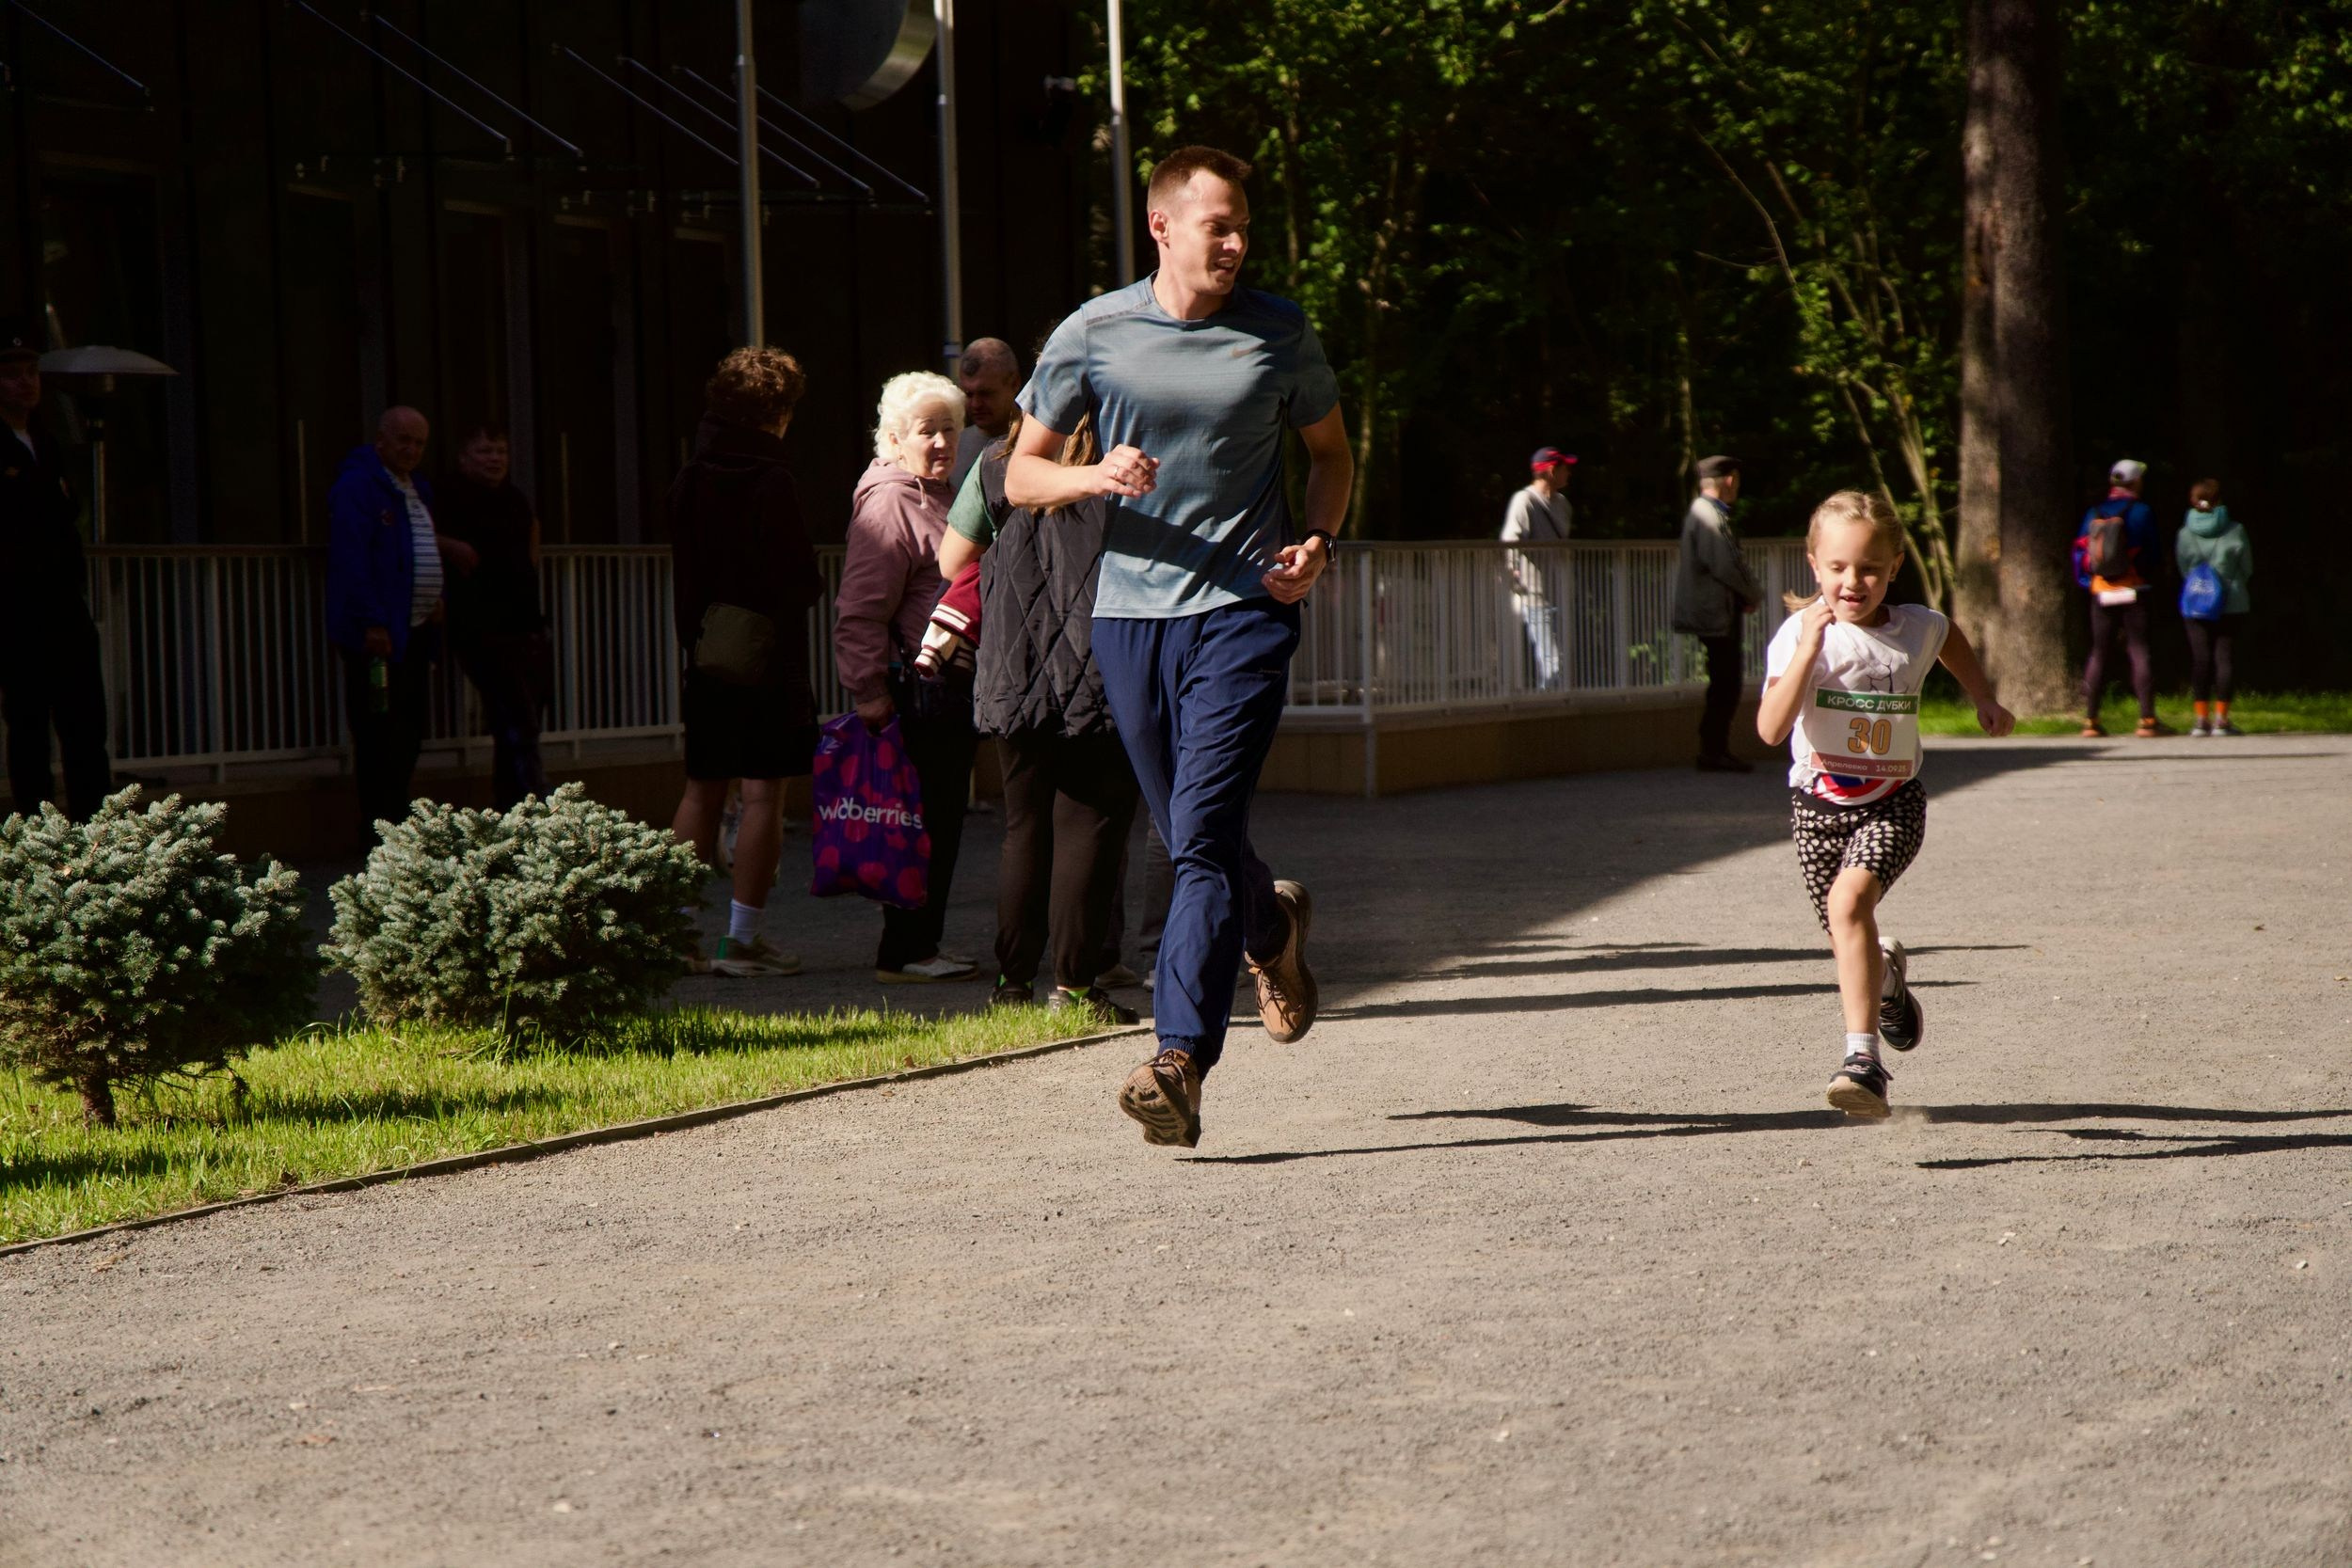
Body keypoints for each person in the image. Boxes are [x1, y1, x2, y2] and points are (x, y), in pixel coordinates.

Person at [1007, 144, 1352, 1149]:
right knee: (1193, 830)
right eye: (1219, 226)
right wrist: (1093, 476)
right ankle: (1270, 926)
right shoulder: (1095, 332)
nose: (1238, 244)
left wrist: (1318, 544)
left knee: (1194, 831)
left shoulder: (1278, 331)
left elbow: (1328, 456)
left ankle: (1179, 1057)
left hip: (1244, 609)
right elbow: (1019, 476)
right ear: (1161, 227)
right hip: (1128, 618)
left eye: (1245, 226)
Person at [1756, 489, 2013, 1118]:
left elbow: (1949, 637)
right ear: (1813, 564)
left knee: (1850, 905)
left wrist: (1982, 695)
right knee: (1847, 933)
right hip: (1817, 808)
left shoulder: (1915, 628)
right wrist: (1809, 654)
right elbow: (1768, 728)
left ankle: (1863, 1063)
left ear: (1895, 565)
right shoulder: (1799, 634)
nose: (1854, 581)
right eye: (1839, 567)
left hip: (1893, 802)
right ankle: (1890, 981)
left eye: (1870, 567)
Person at [937, 408, 1142, 1026]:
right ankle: (1076, 988)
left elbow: (952, 560)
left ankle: (1011, 983)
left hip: (1013, 666)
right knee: (1090, 825)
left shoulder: (997, 465)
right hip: (1100, 667)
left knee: (1024, 826)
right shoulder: (1129, 468)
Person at [668, 347, 826, 978]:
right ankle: (741, 940)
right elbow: (795, 576)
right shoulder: (774, 480)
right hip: (768, 656)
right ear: (779, 413)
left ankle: (672, 931)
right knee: (762, 793)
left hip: (706, 652)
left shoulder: (692, 475)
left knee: (701, 789)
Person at [836, 370, 978, 984]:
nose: (943, 443)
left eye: (950, 429)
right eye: (928, 431)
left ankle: (920, 942)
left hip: (943, 684)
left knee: (936, 818)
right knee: (920, 821)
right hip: (915, 686)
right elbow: (860, 608)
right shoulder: (894, 499)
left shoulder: (936, 491)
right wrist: (869, 691)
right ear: (894, 438)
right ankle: (907, 948)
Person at [0, 319, 111, 821]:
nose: (27, 382)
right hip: (17, 611)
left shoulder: (49, 440)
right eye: (12, 373)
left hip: (65, 607)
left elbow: (68, 514)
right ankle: (41, 842)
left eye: (32, 371)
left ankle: (97, 833)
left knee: (86, 725)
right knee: (28, 730)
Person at [326, 406, 453, 841]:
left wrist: (435, 597)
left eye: (419, 443)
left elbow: (417, 547)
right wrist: (372, 621)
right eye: (404, 440)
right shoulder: (360, 487)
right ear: (381, 440)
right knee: (379, 734)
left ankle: (397, 821)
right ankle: (378, 829)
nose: (411, 450)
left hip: (415, 630)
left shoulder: (417, 489)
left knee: (409, 731)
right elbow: (352, 558)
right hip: (378, 636)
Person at [437, 422, 550, 810]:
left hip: (524, 623)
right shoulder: (450, 495)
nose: (495, 459)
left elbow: (532, 537)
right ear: (465, 456)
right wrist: (450, 547)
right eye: (485, 452)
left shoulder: (514, 498)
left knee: (522, 721)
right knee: (518, 719)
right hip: (481, 626)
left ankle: (511, 806)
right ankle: (533, 805)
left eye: (500, 451)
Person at [1672, 454, 1763, 772]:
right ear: (1729, 480)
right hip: (1715, 613)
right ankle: (1713, 751)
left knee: (1723, 681)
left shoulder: (1703, 512)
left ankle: (1714, 748)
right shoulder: (1710, 515)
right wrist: (1753, 593)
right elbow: (1727, 564)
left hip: (1714, 610)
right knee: (1726, 682)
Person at [2073, 457, 2161, 737]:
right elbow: (2153, 553)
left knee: (2099, 652)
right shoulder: (2142, 511)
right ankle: (2147, 720)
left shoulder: (2094, 512)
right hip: (2134, 589)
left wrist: (2089, 582)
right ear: (2135, 482)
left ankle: (2091, 721)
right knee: (2138, 650)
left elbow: (2080, 552)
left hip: (2101, 591)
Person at [2174, 477, 2251, 737]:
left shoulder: (2184, 533)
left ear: (2193, 502)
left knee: (2200, 659)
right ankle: (2222, 719)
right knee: (2224, 658)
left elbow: (2183, 569)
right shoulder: (2236, 530)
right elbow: (2247, 568)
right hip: (2231, 601)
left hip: (2196, 602)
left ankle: (2200, 720)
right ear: (2219, 501)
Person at [1501, 446, 1574, 689]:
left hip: (1561, 591)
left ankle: (1551, 699)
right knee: (1552, 657)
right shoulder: (1524, 501)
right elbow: (1511, 538)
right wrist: (1514, 573)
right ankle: (1551, 703)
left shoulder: (1563, 504)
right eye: (1565, 469)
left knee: (1561, 656)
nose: (1569, 474)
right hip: (1535, 594)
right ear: (1551, 471)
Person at [950, 338, 1020, 487]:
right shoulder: (952, 447)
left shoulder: (1043, 441)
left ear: (1014, 384)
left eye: (986, 393)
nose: (976, 404)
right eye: (968, 394)